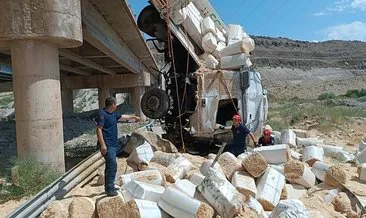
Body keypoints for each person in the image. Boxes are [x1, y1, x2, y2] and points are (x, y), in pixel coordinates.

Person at [95, 97, 140, 196]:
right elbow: (98, 130)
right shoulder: (102, 114)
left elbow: (123, 117)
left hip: (113, 144)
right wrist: (103, 145)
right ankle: (109, 189)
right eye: (115, 104)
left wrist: (134, 117)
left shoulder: (113, 114)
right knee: (112, 166)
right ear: (113, 105)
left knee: (110, 165)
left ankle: (109, 186)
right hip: (107, 145)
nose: (116, 106)